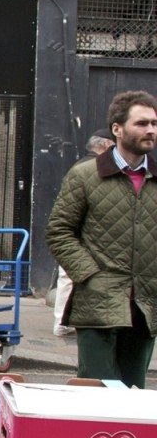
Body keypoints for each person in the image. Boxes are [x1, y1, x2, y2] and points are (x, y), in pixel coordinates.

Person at [47, 90, 157, 389]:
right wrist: (89, 276)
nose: (150, 130)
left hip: (146, 307)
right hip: (98, 305)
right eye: (141, 123)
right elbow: (59, 231)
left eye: (154, 123)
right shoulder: (85, 175)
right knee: (94, 397)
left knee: (134, 397)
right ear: (117, 129)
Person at [52, 128, 116, 338]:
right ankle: (62, 322)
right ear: (106, 145)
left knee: (69, 277)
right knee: (69, 277)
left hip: (76, 232)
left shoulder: (80, 165)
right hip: (80, 233)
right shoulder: (92, 168)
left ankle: (63, 321)